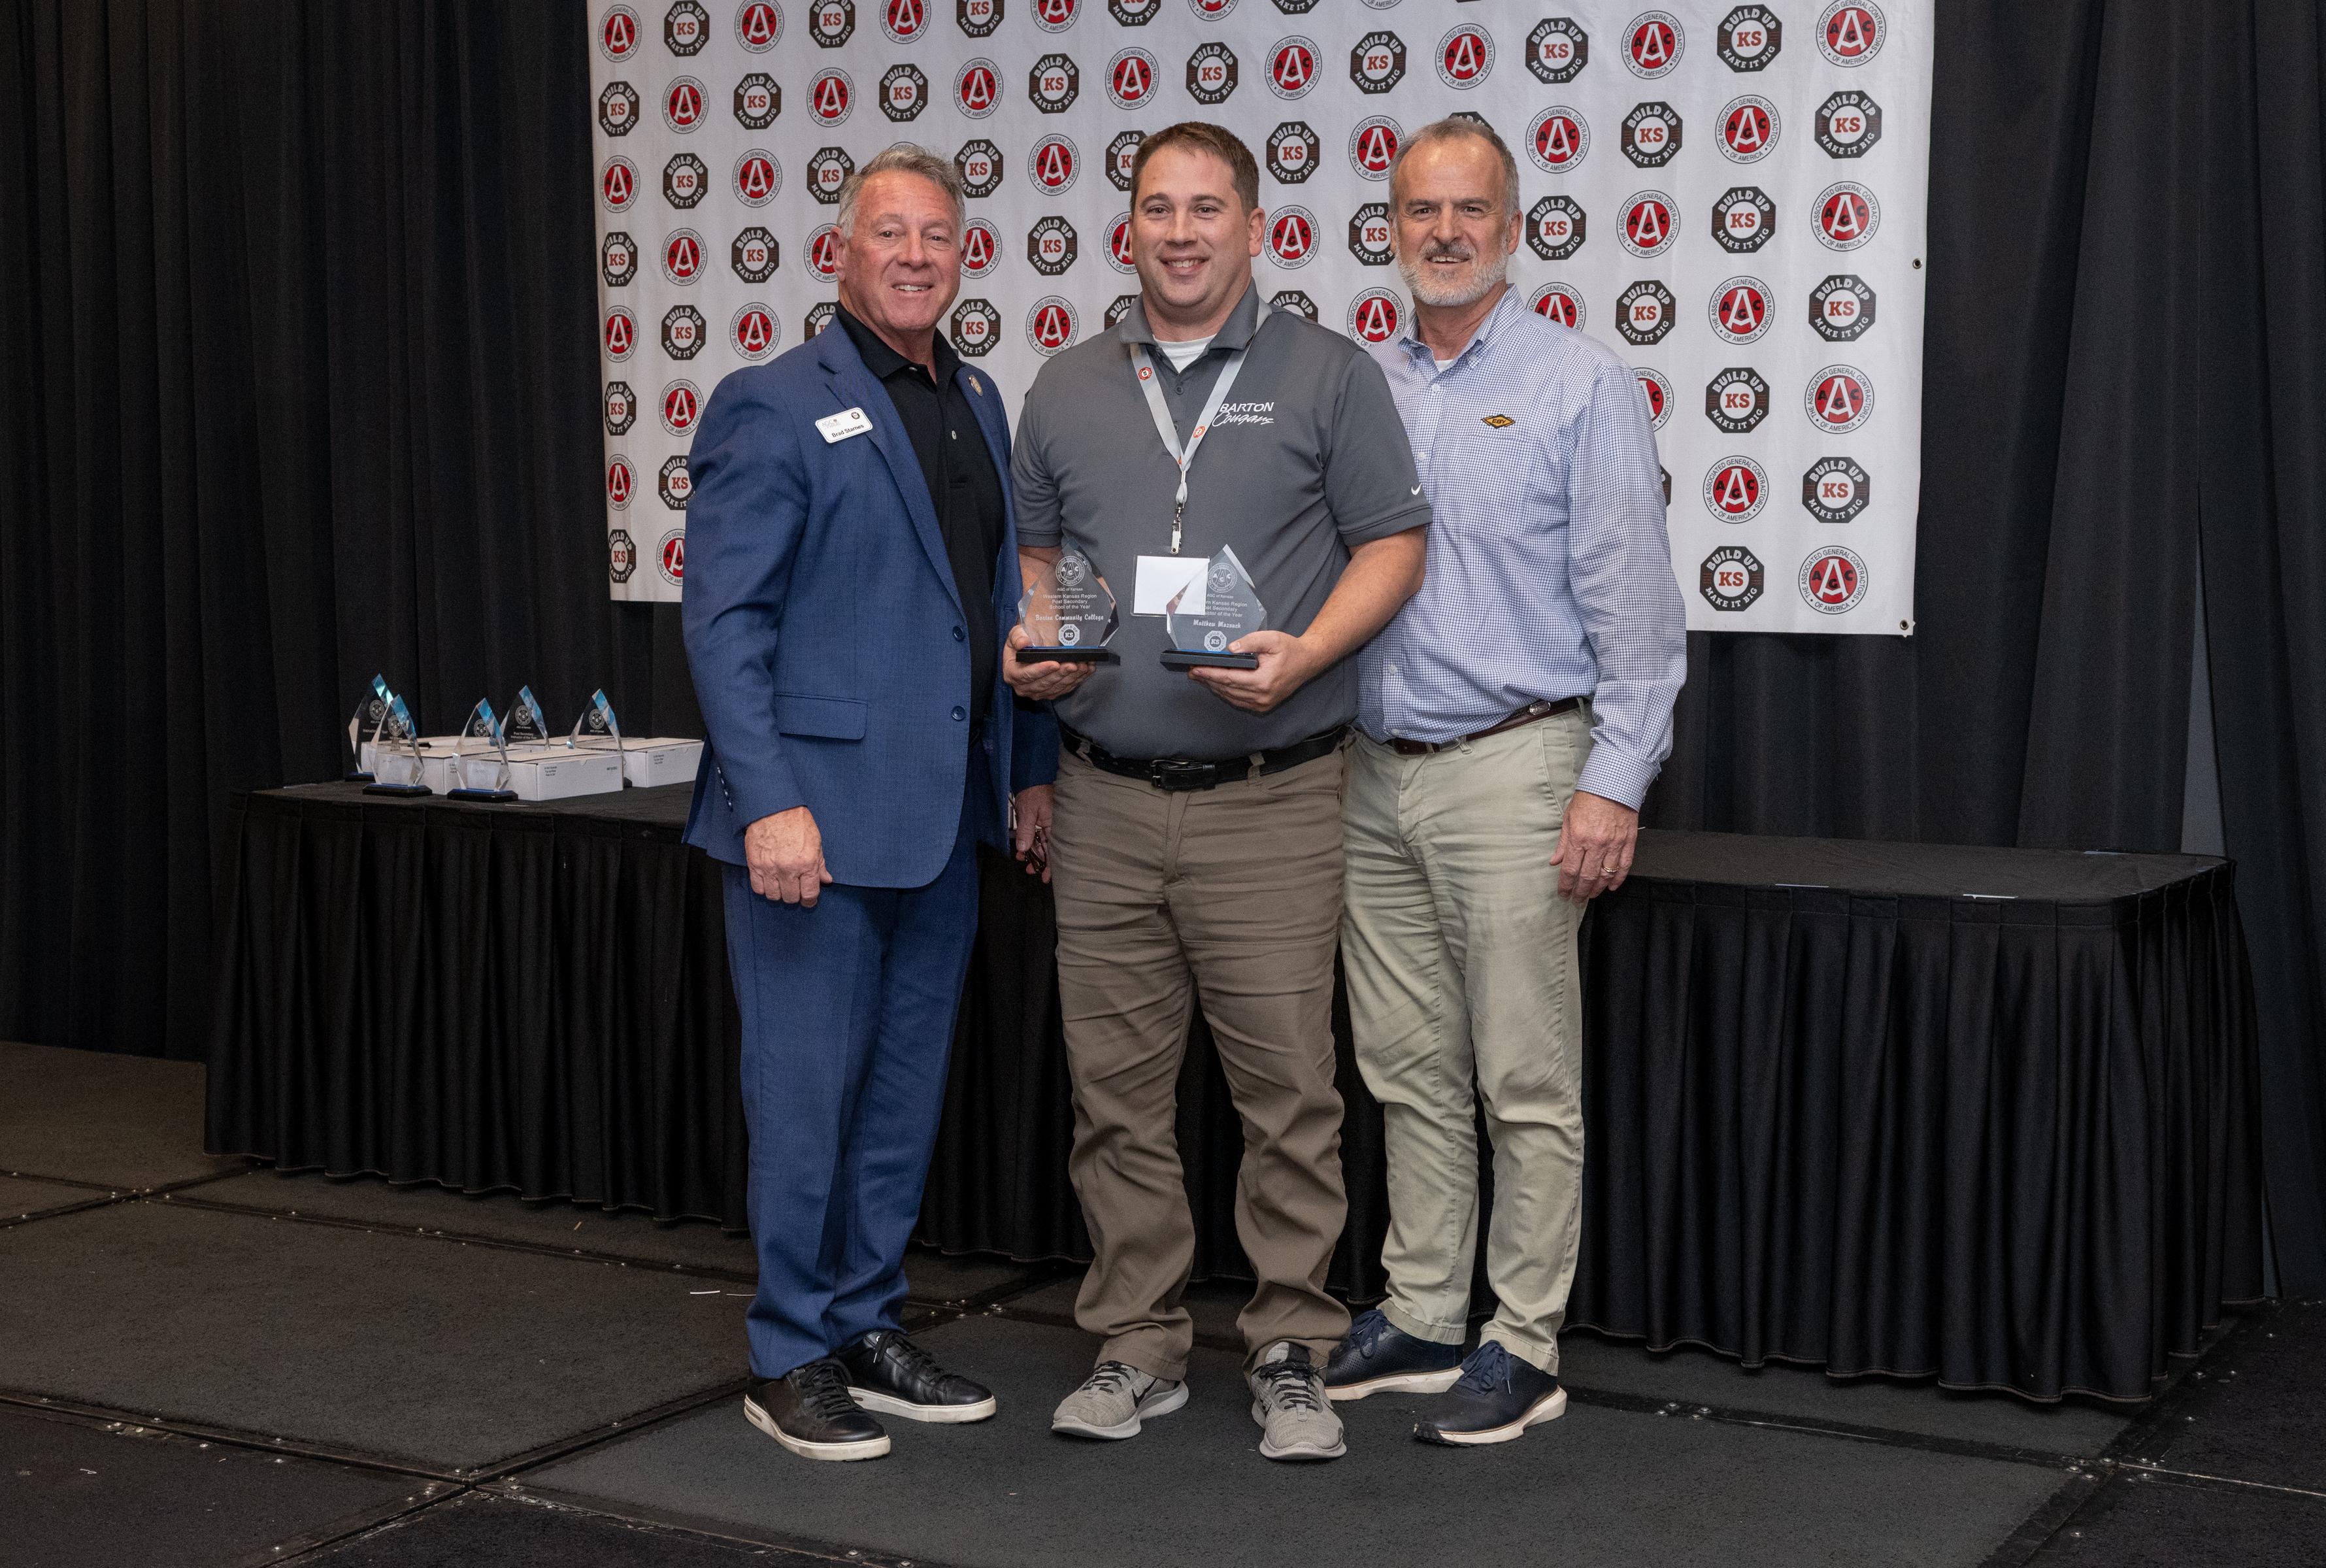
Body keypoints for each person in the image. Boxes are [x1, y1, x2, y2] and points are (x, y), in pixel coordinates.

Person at [1005, 122, 1429, 1463]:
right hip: (1104, 799)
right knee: (1115, 1095)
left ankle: (1293, 1345)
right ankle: (1137, 1343)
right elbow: (1042, 559)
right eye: (1157, 208)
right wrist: (1039, 646)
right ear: (1127, 227)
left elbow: (1395, 544)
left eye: (1206, 209)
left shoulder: (1329, 374)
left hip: (1271, 799)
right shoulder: (1067, 385)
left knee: (1288, 1093)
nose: (1180, 233)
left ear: (1256, 229)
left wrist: (1309, 652)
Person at [680, 146, 1057, 1463]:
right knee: (805, 1101)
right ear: (839, 252)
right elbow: (725, 623)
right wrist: (767, 804)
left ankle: (862, 1322)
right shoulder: (770, 403)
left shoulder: (980, 399)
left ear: (964, 257)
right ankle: (787, 1353)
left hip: (944, 818)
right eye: (889, 233)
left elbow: (995, 608)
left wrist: (1028, 770)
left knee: (898, 1101)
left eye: (936, 235)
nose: (914, 255)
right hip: (814, 829)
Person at [1322, 119, 1687, 1445]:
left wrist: (1614, 783)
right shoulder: (1360, 383)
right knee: (1405, 1068)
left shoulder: (1580, 384)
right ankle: (1425, 1310)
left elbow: (1638, 608)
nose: (1444, 232)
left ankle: (1523, 1340)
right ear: (1390, 228)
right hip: (1372, 774)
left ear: (1515, 228)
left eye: (1469, 209)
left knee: (1523, 1080)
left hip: (1518, 766)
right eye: (1420, 210)